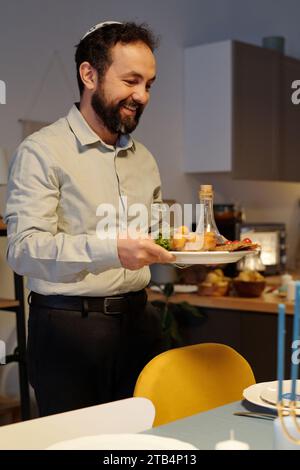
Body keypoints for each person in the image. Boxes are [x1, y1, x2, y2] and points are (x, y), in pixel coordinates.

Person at [4, 21, 174, 417]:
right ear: (89, 74)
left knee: (144, 442)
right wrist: (111, 250)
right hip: (68, 330)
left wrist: (191, 245)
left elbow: (159, 238)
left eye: (149, 84)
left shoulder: (145, 160)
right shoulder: (42, 152)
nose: (141, 95)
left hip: (140, 324)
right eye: (131, 80)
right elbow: (24, 250)